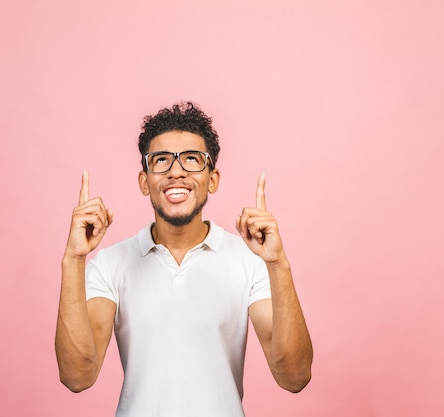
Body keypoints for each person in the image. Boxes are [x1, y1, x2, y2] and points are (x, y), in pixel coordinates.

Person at [55, 102, 312, 417]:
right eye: (161, 160)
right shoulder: (111, 264)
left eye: (192, 159)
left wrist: (278, 264)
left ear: (213, 179)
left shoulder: (250, 262)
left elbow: (294, 376)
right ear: (144, 181)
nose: (176, 171)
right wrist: (73, 260)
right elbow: (77, 376)